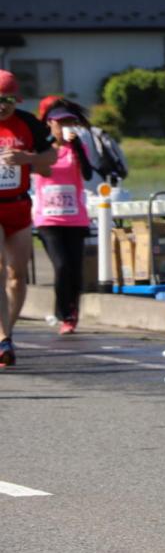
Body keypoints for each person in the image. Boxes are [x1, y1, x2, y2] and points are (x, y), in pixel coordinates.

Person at [0, 70, 56, 367]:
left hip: (19, 206)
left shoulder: (28, 122)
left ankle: (7, 332)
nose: (1, 107)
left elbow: (51, 158)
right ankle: (2, 338)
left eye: (7, 100)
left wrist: (26, 159)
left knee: (17, 274)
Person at [33, 98, 95, 335]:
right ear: (50, 124)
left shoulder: (78, 148)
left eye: (70, 122)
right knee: (61, 266)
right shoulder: (41, 147)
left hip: (75, 219)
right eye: (61, 123)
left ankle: (72, 313)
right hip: (48, 219)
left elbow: (88, 175)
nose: (65, 127)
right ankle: (62, 313)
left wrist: (77, 147)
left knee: (75, 269)